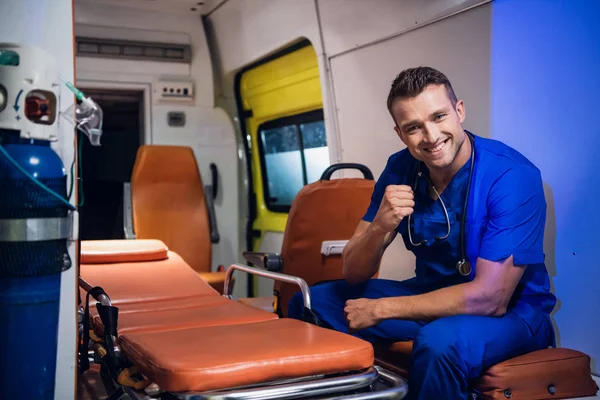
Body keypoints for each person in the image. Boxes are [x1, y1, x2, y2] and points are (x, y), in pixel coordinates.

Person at [287, 66, 557, 399]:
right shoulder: (400, 168)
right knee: (312, 302)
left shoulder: (511, 177)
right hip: (429, 297)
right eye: (414, 127)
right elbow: (353, 271)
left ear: (459, 111)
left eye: (439, 117)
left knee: (438, 342)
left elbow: (491, 299)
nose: (430, 137)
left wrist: (383, 309)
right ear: (400, 133)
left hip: (512, 315)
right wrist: (381, 225)